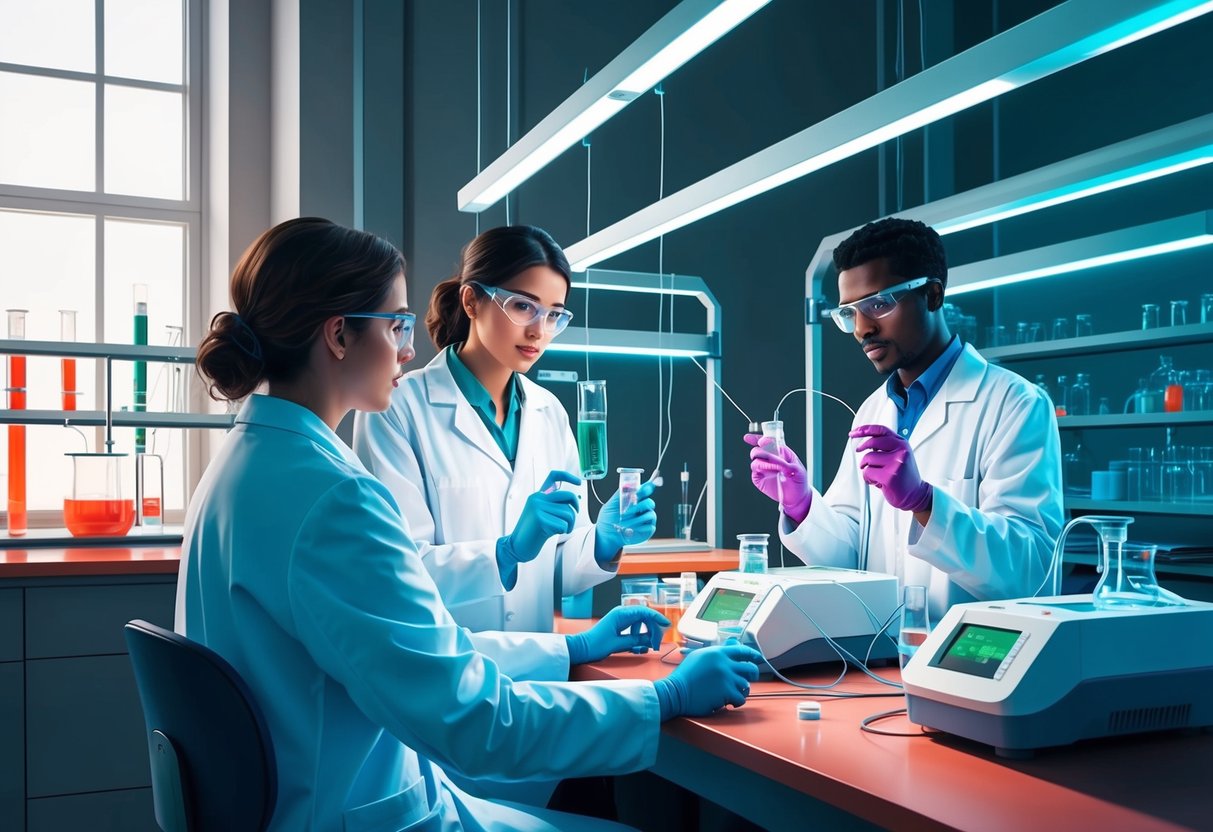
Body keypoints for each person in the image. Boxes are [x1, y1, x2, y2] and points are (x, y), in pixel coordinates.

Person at [179, 217, 763, 831]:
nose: (408, 346)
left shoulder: (244, 465)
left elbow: (415, 639)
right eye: (396, 324)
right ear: (339, 336)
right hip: (364, 805)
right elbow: (473, 717)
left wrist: (576, 638)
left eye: (555, 313)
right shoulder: (336, 497)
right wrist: (665, 696)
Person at [746, 217, 1064, 621]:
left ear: (931, 295)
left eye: (878, 304)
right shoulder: (875, 409)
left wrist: (925, 502)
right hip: (882, 659)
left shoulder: (1014, 404)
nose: (862, 329)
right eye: (849, 313)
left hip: (974, 663)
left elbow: (1032, 571)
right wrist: (803, 503)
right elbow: (850, 556)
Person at [354, 225, 656, 634]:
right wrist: (508, 552)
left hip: (536, 672)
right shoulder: (398, 408)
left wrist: (602, 540)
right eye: (523, 307)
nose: (539, 331)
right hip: (443, 671)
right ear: (472, 301)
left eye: (553, 314)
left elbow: (558, 565)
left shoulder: (550, 413)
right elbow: (401, 569)